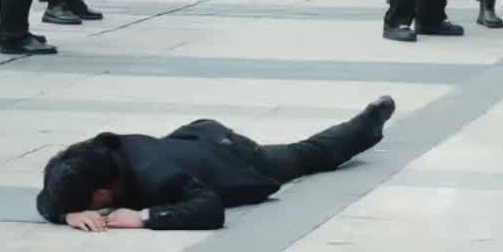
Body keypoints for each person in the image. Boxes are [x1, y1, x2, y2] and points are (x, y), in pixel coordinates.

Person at [37, 97, 397, 231]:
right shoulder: (88, 158)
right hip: (188, 141)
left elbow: (210, 208)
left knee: (305, 155)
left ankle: (364, 128)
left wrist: (145, 218)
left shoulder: (157, 177)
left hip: (230, 154)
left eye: (87, 204)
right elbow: (47, 198)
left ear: (103, 192)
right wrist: (65, 214)